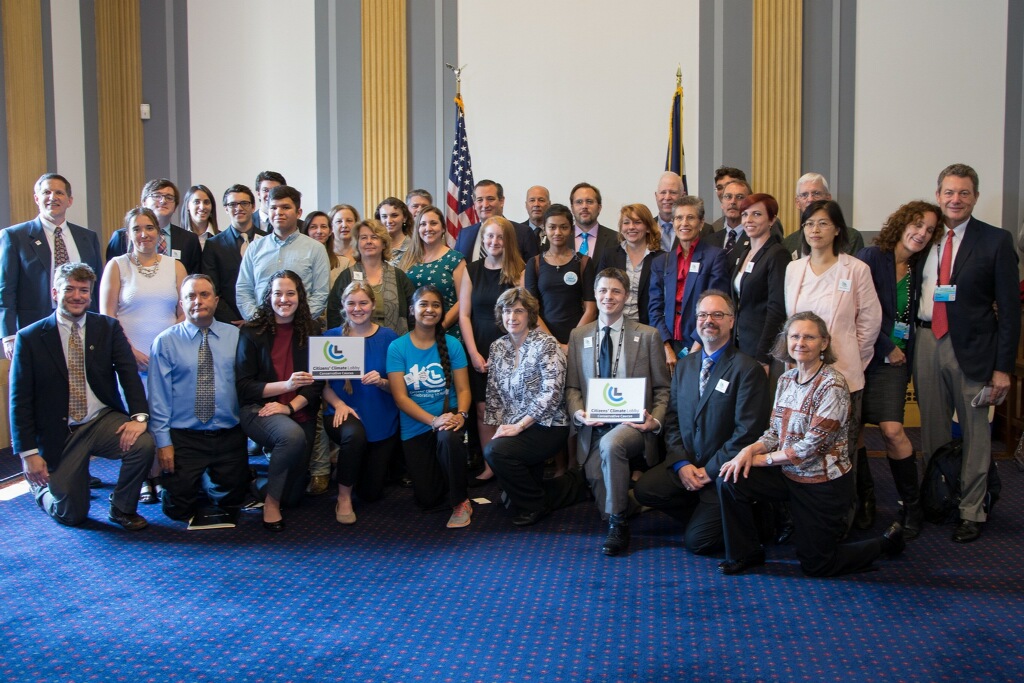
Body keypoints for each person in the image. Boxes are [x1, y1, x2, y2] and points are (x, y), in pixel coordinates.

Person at [716, 312, 905, 576]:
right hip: (788, 475)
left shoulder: (833, 385)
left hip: (822, 484)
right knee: (730, 479)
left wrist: (760, 460)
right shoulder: (785, 380)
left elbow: (809, 448)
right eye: (794, 336)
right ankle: (745, 553)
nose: (800, 343)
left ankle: (884, 544)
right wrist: (748, 451)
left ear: (824, 343)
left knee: (818, 565)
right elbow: (774, 433)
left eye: (809, 337)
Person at [913, 163, 1019, 544]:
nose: (955, 199)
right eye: (948, 192)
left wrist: (1003, 369)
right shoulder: (924, 238)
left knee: (975, 432)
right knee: (932, 429)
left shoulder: (996, 240)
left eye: (964, 193)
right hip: (926, 342)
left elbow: (1009, 310)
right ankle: (938, 498)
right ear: (938, 194)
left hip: (972, 349)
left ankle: (972, 509)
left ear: (974, 197)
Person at [10, 262, 153, 530]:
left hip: (99, 420)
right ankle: (41, 491)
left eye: (84, 290)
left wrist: (139, 417)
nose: (77, 296)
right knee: (72, 515)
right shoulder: (29, 338)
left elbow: (128, 375)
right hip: (59, 432)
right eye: (70, 289)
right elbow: (20, 400)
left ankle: (122, 508)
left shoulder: (107, 328)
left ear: (90, 293)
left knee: (142, 444)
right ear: (55, 293)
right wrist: (28, 453)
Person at [634, 290, 770, 554]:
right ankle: (710, 514)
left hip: (722, 472)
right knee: (646, 490)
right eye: (703, 315)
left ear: (732, 321)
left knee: (699, 543)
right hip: (689, 464)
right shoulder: (685, 366)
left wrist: (709, 471)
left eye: (718, 314)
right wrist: (682, 463)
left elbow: (747, 432)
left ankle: (744, 517)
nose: (709, 320)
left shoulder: (748, 369)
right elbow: (672, 421)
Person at [785, 199, 881, 526]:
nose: (815, 230)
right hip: (801, 379)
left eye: (823, 223)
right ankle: (803, 517)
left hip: (844, 378)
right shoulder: (793, 269)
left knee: (841, 453)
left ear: (837, 229)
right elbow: (791, 323)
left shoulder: (855, 269)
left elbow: (869, 322)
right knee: (801, 447)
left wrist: (852, 360)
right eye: (810, 223)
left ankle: (843, 520)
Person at [565, 268, 671, 556]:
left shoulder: (647, 335)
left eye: (615, 291)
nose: (608, 297)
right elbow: (572, 388)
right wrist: (580, 415)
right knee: (604, 502)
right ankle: (642, 498)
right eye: (602, 291)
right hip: (595, 425)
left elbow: (663, 388)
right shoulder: (579, 335)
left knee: (613, 446)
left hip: (633, 425)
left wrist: (655, 421)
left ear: (626, 296)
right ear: (595, 295)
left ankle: (618, 524)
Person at [856, 201, 941, 539]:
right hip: (862, 356)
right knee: (856, 430)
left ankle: (911, 503)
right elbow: (858, 310)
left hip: (895, 362)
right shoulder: (870, 257)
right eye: (917, 224)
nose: (921, 233)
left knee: (892, 431)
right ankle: (865, 499)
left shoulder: (921, 266)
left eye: (930, 229)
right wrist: (885, 346)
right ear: (903, 223)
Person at [147, 274, 247, 522]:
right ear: (181, 303)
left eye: (204, 295)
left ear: (216, 300)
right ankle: (199, 477)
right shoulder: (165, 342)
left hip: (228, 434)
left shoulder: (236, 337)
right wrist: (163, 443)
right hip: (185, 438)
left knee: (232, 504)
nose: (198, 301)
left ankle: (208, 477)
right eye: (190, 296)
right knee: (176, 510)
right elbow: (158, 398)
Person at [236, 270, 324, 532]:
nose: (284, 299)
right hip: (258, 409)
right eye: (277, 293)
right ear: (268, 296)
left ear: (300, 296)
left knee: (294, 497)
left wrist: (289, 406)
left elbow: (317, 382)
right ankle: (271, 505)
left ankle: (255, 485)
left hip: (298, 409)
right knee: (292, 437)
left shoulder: (312, 329)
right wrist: (285, 386)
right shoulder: (252, 331)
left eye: (290, 293)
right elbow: (244, 387)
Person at [387, 285, 473, 529]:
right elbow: (400, 398)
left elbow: (464, 390)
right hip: (416, 426)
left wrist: (461, 415)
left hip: (449, 420)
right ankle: (447, 484)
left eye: (436, 305)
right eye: (423, 304)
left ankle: (461, 501)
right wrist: (432, 421)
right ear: (412, 310)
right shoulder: (397, 347)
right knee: (427, 499)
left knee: (447, 438)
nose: (430, 309)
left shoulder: (452, 344)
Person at [483, 287, 571, 525]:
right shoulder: (497, 347)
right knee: (497, 451)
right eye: (507, 311)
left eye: (519, 311)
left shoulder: (546, 344)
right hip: (515, 424)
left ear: (530, 314)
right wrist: (500, 427)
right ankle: (547, 493)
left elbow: (552, 393)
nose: (512, 317)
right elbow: (494, 394)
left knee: (496, 452)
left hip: (548, 424)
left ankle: (536, 504)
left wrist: (519, 426)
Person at [321, 282, 401, 524]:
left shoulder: (389, 338)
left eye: (363, 302)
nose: (358, 308)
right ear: (343, 307)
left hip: (381, 418)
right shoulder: (331, 337)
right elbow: (322, 387)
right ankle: (343, 497)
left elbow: (398, 387)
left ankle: (349, 464)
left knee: (370, 494)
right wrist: (340, 405)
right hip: (344, 415)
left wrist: (382, 382)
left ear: (373, 305)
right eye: (351, 303)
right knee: (354, 437)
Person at [1, 173, 103, 360]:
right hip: (35, 329)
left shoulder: (87, 238)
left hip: (83, 328)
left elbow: (97, 289)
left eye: (59, 193)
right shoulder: (15, 237)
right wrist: (8, 335)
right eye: (46, 192)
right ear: (36, 198)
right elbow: (6, 289)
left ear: (69, 200)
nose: (53, 197)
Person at [458, 216, 526, 485]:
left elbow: (524, 314)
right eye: (489, 237)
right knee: (483, 410)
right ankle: (489, 464)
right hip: (479, 345)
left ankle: (509, 461)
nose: (494, 242)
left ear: (507, 240)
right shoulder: (471, 269)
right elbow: (464, 315)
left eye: (499, 237)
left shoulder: (519, 271)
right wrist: (473, 353)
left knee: (511, 408)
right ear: (483, 240)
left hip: (511, 345)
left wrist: (518, 352)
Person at [99, 207, 186, 383]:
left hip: (169, 358)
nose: (144, 234)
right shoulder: (116, 266)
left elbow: (185, 313)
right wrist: (130, 351)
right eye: (136, 229)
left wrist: (166, 350)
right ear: (128, 235)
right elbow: (107, 316)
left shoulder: (176, 266)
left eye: (149, 228)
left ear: (158, 232)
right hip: (128, 360)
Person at [648, 196, 729, 374]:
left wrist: (696, 347)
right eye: (679, 218)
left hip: (702, 342)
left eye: (691, 217)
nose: (684, 223)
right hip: (667, 343)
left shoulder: (715, 257)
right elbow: (654, 307)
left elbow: (716, 306)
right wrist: (666, 346)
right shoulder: (661, 262)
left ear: (701, 223)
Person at [235, 185, 330, 321]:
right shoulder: (254, 248)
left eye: (285, 207)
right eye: (273, 207)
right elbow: (243, 289)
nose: (279, 212)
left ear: (299, 213)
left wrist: (298, 321)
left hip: (300, 330)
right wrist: (257, 319)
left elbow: (321, 293)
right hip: (260, 329)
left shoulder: (316, 249)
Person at [730, 194, 791, 374]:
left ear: (771, 220)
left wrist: (763, 356)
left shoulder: (777, 254)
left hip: (762, 348)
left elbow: (776, 309)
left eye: (757, 214)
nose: (749, 220)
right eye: (745, 214)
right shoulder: (745, 252)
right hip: (740, 342)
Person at [525, 203, 597, 348]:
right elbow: (531, 310)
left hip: (578, 339)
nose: (557, 232)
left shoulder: (583, 262)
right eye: (552, 227)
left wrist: (572, 343)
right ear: (544, 229)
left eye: (563, 227)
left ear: (571, 230)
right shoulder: (535, 263)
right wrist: (554, 344)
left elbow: (591, 309)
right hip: (543, 340)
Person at [326, 219, 416, 335]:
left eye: (374, 237)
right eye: (363, 238)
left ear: (384, 244)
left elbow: (413, 312)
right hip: (353, 344)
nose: (369, 242)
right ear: (357, 244)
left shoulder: (399, 277)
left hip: (393, 344)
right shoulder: (346, 277)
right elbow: (333, 314)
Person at [202, 184, 267, 326]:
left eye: (244, 203)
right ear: (226, 209)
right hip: (230, 323)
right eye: (232, 204)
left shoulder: (268, 240)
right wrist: (233, 320)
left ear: (253, 206)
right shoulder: (214, 245)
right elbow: (212, 289)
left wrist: (257, 317)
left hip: (265, 322)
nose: (239, 208)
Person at [106, 179, 202, 274]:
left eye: (169, 197)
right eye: (157, 196)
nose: (163, 201)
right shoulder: (121, 237)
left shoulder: (189, 240)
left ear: (175, 207)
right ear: (144, 202)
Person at [399, 205, 467, 339]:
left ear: (443, 229)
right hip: (413, 333)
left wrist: (440, 327)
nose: (428, 228)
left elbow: (463, 301)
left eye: (433, 223)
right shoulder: (407, 258)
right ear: (417, 229)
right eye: (423, 224)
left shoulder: (455, 259)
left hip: (446, 332)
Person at [597, 204, 663, 325]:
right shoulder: (609, 255)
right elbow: (599, 290)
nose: (631, 227)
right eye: (626, 223)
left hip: (648, 326)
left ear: (648, 227)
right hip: (613, 323)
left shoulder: (661, 258)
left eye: (637, 222)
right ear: (621, 228)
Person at [782, 173, 865, 259]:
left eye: (816, 193)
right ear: (797, 203)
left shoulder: (851, 237)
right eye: (804, 195)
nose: (810, 199)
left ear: (828, 198)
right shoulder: (788, 243)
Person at [454, 180, 540, 263]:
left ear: (501, 201)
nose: (485, 205)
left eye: (490, 199)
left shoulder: (523, 233)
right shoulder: (464, 234)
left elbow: (533, 271)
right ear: (475, 203)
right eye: (480, 200)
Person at [569, 182, 618, 264]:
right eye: (579, 202)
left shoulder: (616, 239)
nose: (584, 206)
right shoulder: (560, 238)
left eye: (589, 201)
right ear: (572, 208)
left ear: (599, 207)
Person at [303, 210, 352, 288]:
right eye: (313, 227)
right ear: (306, 231)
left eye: (323, 227)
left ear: (330, 231)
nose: (319, 231)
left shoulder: (343, 263)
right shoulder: (299, 260)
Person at [706, 180, 750, 253]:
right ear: (722, 203)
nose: (733, 202)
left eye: (739, 197)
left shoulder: (755, 238)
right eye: (728, 196)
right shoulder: (709, 241)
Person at [377, 197, 414, 267]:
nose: (389, 221)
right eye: (384, 216)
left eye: (394, 216)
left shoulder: (414, 247)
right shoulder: (375, 246)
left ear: (404, 218)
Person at [653, 171, 685, 252]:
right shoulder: (645, 229)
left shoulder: (701, 230)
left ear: (683, 196)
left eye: (673, 192)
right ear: (656, 196)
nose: (667, 197)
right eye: (663, 192)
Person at [180, 184, 219, 249]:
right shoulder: (178, 238)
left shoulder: (223, 239)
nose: (202, 207)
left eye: (206, 202)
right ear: (187, 205)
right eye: (196, 202)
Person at [518, 185, 551, 250]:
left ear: (549, 204)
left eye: (541, 200)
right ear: (526, 205)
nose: (536, 204)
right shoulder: (517, 231)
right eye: (532, 200)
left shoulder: (555, 232)